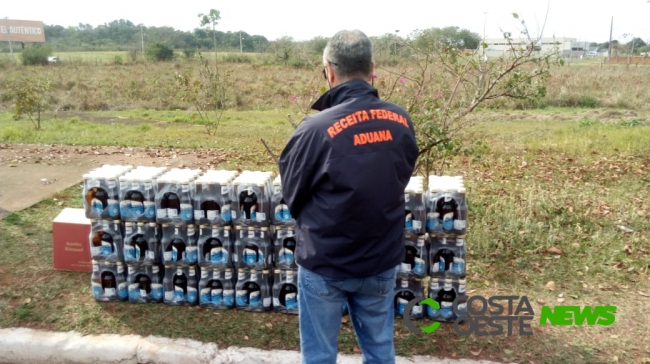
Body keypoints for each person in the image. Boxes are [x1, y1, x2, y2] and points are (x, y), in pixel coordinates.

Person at [278, 30, 418, 364]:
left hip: (325, 262)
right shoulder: (401, 120)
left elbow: (293, 195)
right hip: (380, 261)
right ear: (372, 68)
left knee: (319, 355)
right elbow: (397, 177)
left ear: (328, 70)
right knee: (380, 349)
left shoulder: (315, 128)